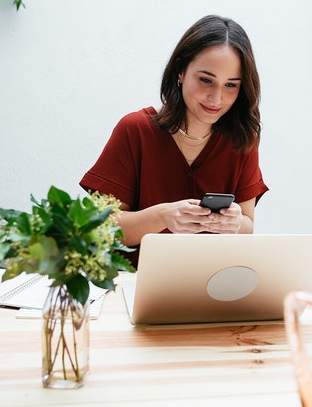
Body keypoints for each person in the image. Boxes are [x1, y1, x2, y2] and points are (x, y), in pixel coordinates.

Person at [80, 14, 269, 267]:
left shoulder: (242, 139)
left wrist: (234, 223)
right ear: (180, 71)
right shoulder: (135, 130)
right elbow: (101, 227)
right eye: (206, 80)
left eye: (231, 85)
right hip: (133, 289)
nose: (216, 98)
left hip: (210, 289)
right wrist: (162, 216)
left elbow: (247, 226)